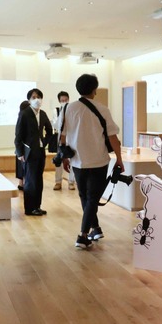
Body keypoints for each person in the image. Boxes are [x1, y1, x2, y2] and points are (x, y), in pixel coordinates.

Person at [60, 74, 123, 249]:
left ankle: (93, 230)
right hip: (98, 161)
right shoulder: (102, 109)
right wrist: (119, 159)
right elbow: (113, 137)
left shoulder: (68, 109)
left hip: (77, 161)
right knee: (92, 198)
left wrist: (64, 157)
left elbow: (62, 136)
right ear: (95, 90)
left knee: (85, 197)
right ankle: (84, 235)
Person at [16, 88, 53, 216]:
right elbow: (18, 135)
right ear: (29, 100)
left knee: (38, 180)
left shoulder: (42, 114)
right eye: (33, 97)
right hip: (29, 152)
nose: (37, 99)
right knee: (30, 181)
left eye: (38, 97)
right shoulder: (25, 113)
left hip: (40, 151)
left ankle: (37, 206)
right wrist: (20, 153)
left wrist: (44, 142)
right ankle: (29, 208)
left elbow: (49, 130)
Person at [51, 90, 75, 191]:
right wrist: (61, 115)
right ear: (59, 101)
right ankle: (58, 182)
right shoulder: (56, 111)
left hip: (72, 137)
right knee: (59, 160)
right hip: (60, 138)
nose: (64, 102)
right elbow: (55, 125)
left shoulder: (73, 110)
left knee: (72, 159)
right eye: (62, 100)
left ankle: (71, 182)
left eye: (66, 100)